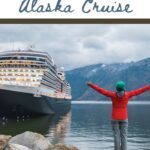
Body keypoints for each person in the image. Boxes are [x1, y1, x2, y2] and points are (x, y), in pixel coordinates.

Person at [86, 81, 150, 150]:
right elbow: (140, 90)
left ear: (116, 88)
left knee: (116, 136)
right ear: (123, 88)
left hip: (115, 118)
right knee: (124, 137)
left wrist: (91, 85)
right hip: (124, 118)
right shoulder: (128, 95)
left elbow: (101, 90)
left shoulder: (112, 95)